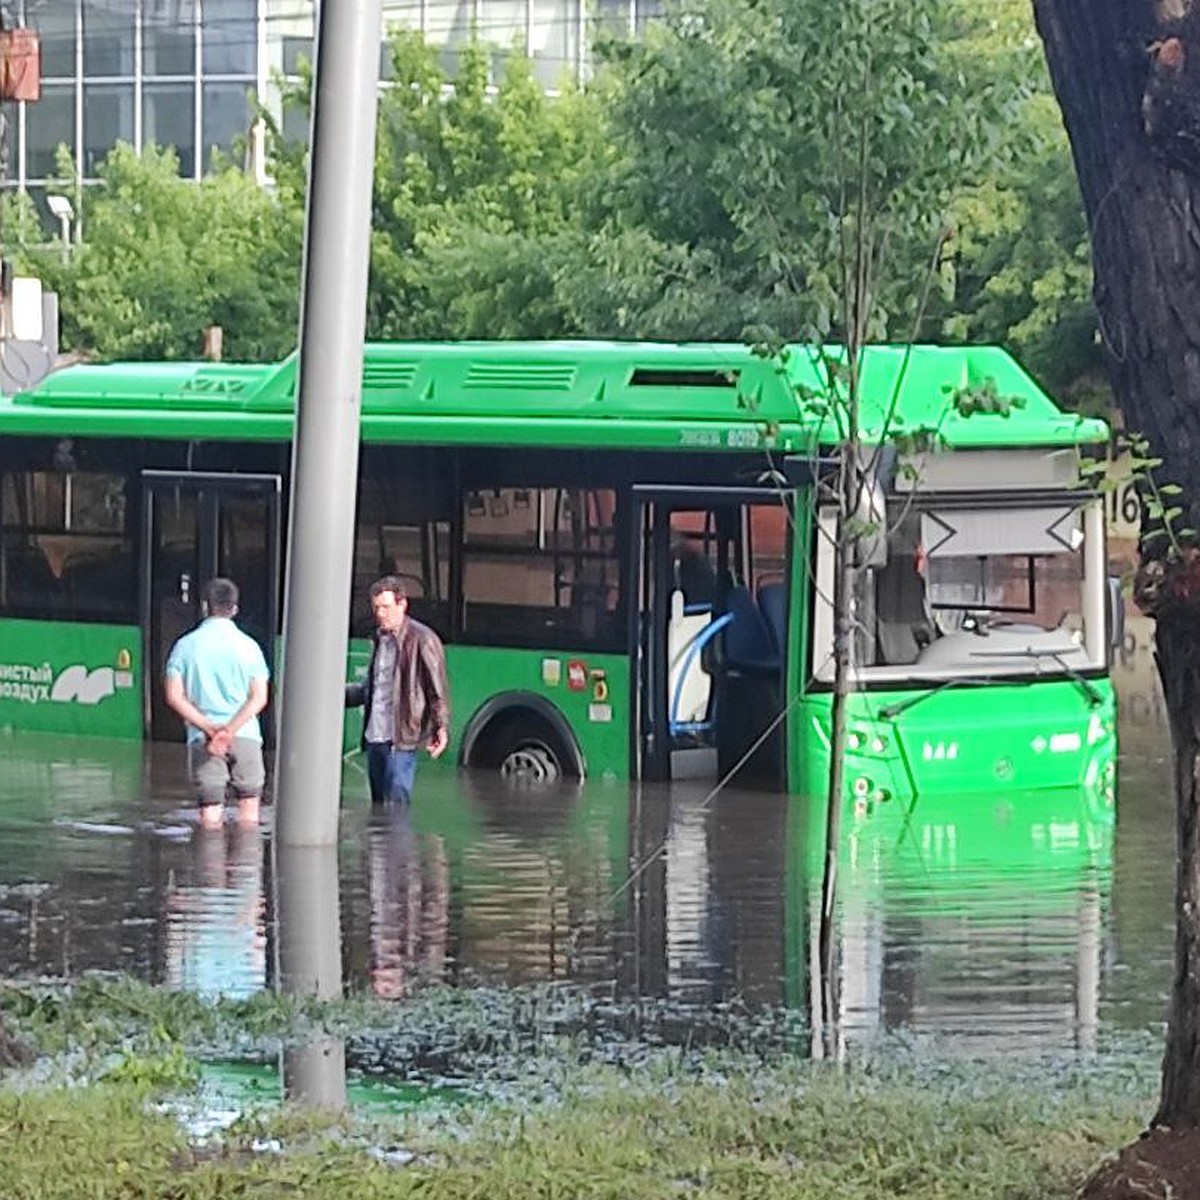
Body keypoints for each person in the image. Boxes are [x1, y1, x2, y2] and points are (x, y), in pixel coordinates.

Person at [164, 577, 270, 830]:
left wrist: (211, 730)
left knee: (210, 817)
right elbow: (259, 697)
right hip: (246, 736)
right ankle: (246, 868)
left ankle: (210, 869)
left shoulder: (184, 646)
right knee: (249, 812)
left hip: (204, 739)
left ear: (204, 607)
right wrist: (230, 731)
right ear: (234, 609)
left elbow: (174, 696)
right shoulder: (250, 647)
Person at [345, 575, 450, 805]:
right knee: (378, 807)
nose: (380, 614)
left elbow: (437, 691)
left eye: (386, 607)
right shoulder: (379, 640)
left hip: (401, 738)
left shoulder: (423, 639)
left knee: (396, 806)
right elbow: (373, 689)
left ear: (402, 604)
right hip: (375, 736)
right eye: (376, 608)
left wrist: (440, 727)